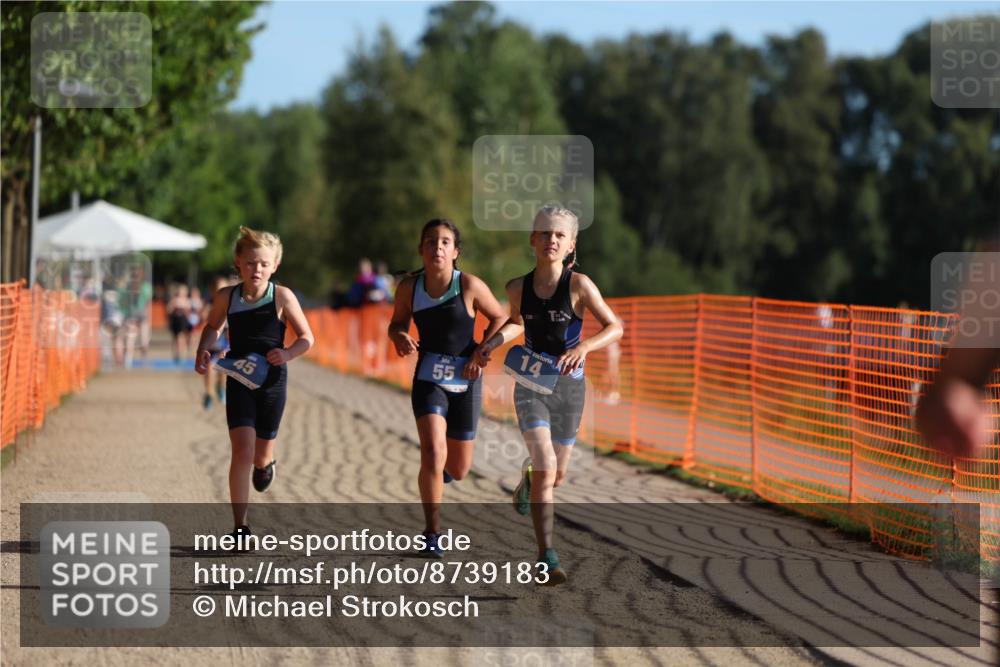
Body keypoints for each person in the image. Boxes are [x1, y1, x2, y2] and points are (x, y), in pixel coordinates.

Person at [472, 206, 624, 585]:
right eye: (544, 233)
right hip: (532, 386)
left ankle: (529, 479)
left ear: (571, 244)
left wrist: (584, 347)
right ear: (532, 239)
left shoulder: (579, 286)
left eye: (559, 235)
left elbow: (615, 326)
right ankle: (546, 557)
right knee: (546, 466)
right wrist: (490, 343)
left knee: (555, 475)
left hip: (570, 390)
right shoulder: (516, 288)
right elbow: (517, 322)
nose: (550, 240)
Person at [387, 218, 507, 556]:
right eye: (431, 241)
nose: (437, 247)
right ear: (421, 249)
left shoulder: (468, 285)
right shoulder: (409, 288)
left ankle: (440, 478)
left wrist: (483, 349)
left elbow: (500, 317)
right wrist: (399, 336)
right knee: (432, 452)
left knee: (458, 468)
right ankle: (432, 533)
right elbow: (396, 323)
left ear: (455, 252)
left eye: (444, 242)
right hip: (429, 377)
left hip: (466, 378)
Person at [195, 227, 314, 540]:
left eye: (263, 264)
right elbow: (213, 326)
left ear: (275, 265)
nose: (256, 269)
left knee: (260, 456)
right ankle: (241, 527)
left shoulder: (282, 296)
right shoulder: (227, 297)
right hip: (239, 379)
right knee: (242, 451)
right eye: (250, 263)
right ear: (238, 262)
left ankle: (266, 463)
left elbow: (307, 338)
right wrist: (203, 348)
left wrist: (287, 353)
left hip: (272, 382)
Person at [200, 276, 232, 410]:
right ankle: (209, 394)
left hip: (225, 341)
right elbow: (202, 318)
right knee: (209, 367)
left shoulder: (232, 303)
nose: (221, 292)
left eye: (223, 289)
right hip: (212, 342)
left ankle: (220, 387)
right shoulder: (209, 303)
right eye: (218, 289)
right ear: (213, 291)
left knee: (221, 369)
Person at [167, 283, 193, 363]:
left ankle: (182, 355)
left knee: (181, 338)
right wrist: (174, 307)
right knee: (176, 339)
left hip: (183, 321)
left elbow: (188, 313)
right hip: (176, 321)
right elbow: (169, 310)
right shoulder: (174, 300)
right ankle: (177, 354)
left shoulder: (186, 300)